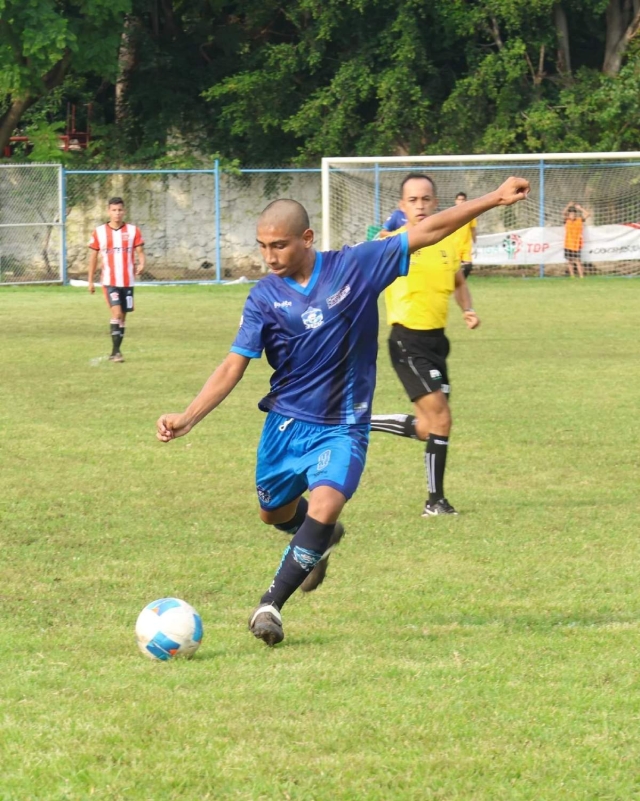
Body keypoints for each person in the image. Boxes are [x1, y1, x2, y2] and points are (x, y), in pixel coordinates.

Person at [156, 178, 530, 647]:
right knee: (273, 514)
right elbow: (235, 364)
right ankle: (320, 540)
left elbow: (429, 231)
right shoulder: (263, 298)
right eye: (262, 247)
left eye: (279, 245)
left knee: (327, 503)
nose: (269, 257)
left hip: (343, 426)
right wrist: (189, 416)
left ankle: (269, 605)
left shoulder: (356, 267)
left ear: (307, 239)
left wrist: (493, 199)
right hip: (286, 424)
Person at [369, 174, 480, 517]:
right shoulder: (392, 243)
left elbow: (458, 280)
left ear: (435, 203)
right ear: (402, 206)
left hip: (436, 342)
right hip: (406, 339)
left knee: (426, 428)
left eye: (426, 199)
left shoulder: (448, 241)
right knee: (442, 420)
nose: (420, 205)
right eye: (412, 200)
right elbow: (357, 281)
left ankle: (362, 421)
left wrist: (468, 308)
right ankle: (435, 502)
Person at [88, 197, 145, 362]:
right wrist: (90, 281)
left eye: (120, 210)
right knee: (117, 313)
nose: (117, 213)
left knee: (123, 317)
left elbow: (140, 251)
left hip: (127, 282)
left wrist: (142, 263)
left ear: (124, 211)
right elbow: (93, 257)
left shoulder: (133, 231)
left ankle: (115, 352)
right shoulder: (99, 232)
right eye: (114, 210)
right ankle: (117, 352)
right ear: (108, 211)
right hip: (109, 282)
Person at [452, 191, 477, 278]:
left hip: (466, 245)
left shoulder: (470, 214)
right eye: (459, 199)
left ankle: (460, 284)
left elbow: (473, 229)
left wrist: (475, 244)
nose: (461, 201)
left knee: (468, 267)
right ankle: (456, 284)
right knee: (454, 268)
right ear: (456, 201)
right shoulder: (451, 214)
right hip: (454, 245)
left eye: (463, 200)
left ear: (466, 201)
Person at [563, 202, 590, 278]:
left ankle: (581, 276)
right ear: (569, 215)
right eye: (571, 214)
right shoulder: (567, 221)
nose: (572, 216)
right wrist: (568, 205)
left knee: (578, 261)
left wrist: (580, 208)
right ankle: (572, 276)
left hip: (576, 244)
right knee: (570, 261)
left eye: (574, 214)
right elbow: (564, 213)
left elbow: (588, 214)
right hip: (568, 244)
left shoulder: (579, 220)